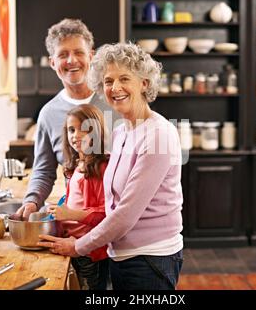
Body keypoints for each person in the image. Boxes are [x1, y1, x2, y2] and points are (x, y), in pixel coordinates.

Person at [38, 42, 184, 290]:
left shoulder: (159, 134)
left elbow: (125, 215)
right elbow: (109, 196)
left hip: (150, 259)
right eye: (108, 81)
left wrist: (78, 246)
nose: (115, 88)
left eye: (124, 79)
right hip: (121, 255)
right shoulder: (120, 132)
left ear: (144, 84)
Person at [16, 19, 117, 219]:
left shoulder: (116, 103)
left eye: (78, 52)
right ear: (53, 62)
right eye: (63, 54)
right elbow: (43, 170)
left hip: (121, 226)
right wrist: (32, 201)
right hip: (79, 225)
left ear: (91, 56)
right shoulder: (48, 114)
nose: (71, 60)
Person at [47, 104, 109, 290]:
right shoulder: (78, 164)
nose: (76, 135)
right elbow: (76, 201)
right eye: (71, 130)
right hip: (73, 245)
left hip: (89, 251)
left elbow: (106, 214)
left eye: (84, 129)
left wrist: (70, 214)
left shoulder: (101, 168)